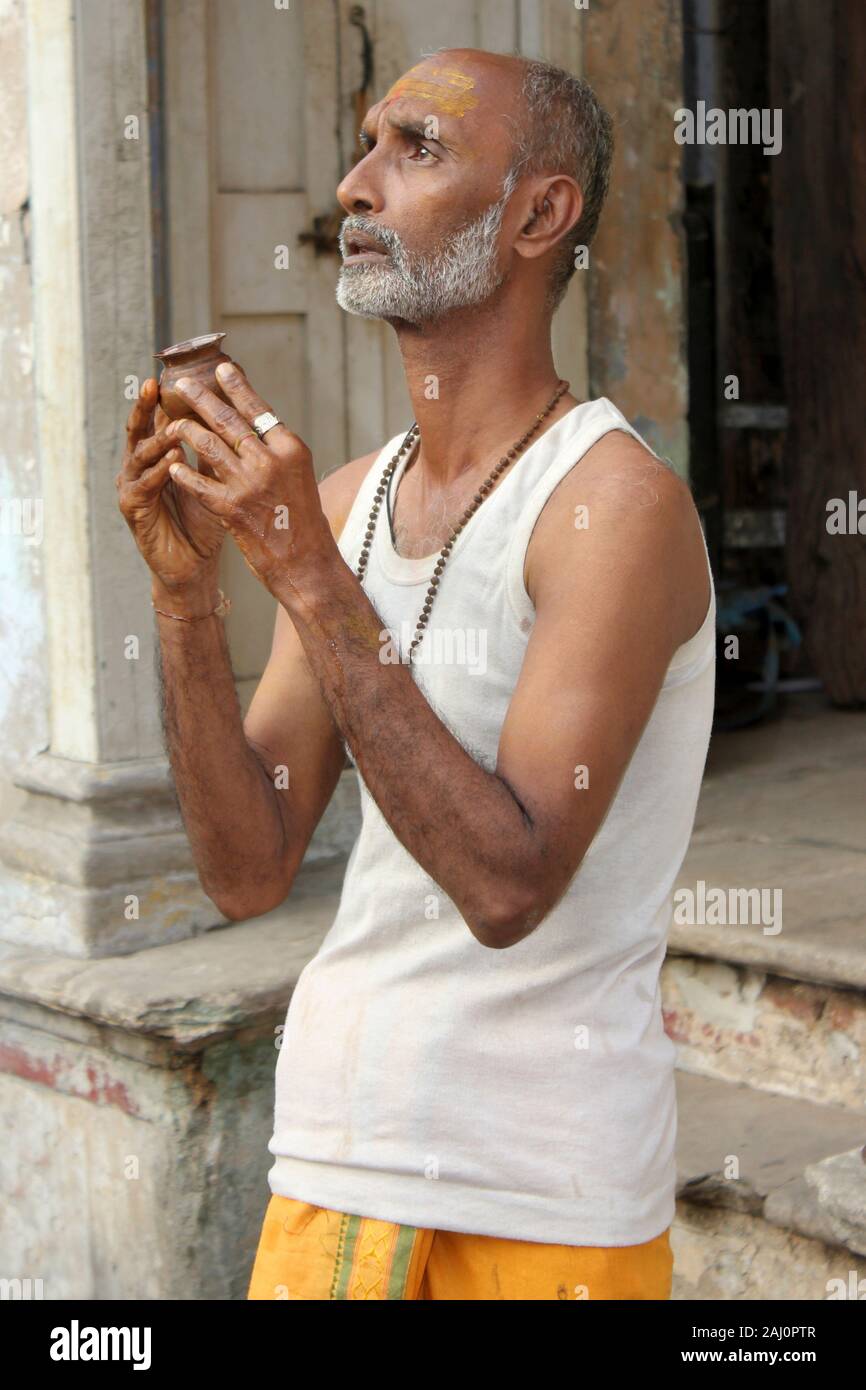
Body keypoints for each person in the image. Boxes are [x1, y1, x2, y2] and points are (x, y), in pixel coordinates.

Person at [117, 48, 714, 1300]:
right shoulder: (343, 502)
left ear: (538, 217)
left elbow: (507, 884)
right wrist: (183, 600)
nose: (353, 185)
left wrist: (306, 577)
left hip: (539, 1196)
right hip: (330, 1165)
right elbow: (246, 868)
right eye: (364, 146)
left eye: (415, 148)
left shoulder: (614, 509)